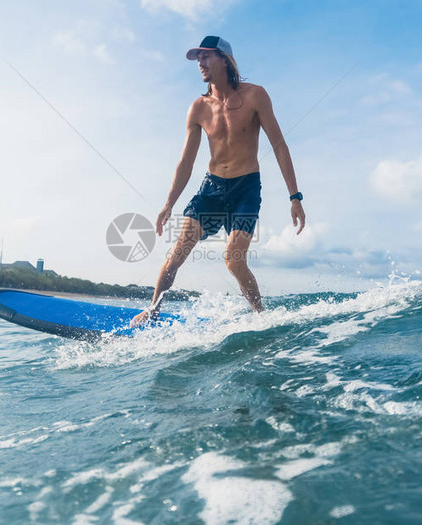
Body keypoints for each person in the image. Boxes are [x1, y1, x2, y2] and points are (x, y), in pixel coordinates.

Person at [131, 36, 305, 326]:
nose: (200, 63)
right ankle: (153, 310)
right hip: (211, 189)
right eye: (197, 58)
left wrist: (295, 196)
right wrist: (168, 204)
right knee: (176, 254)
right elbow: (186, 162)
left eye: (206, 56)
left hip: (246, 188)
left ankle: (261, 319)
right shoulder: (198, 108)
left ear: (225, 59)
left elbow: (279, 146)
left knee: (234, 260)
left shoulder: (255, 96)